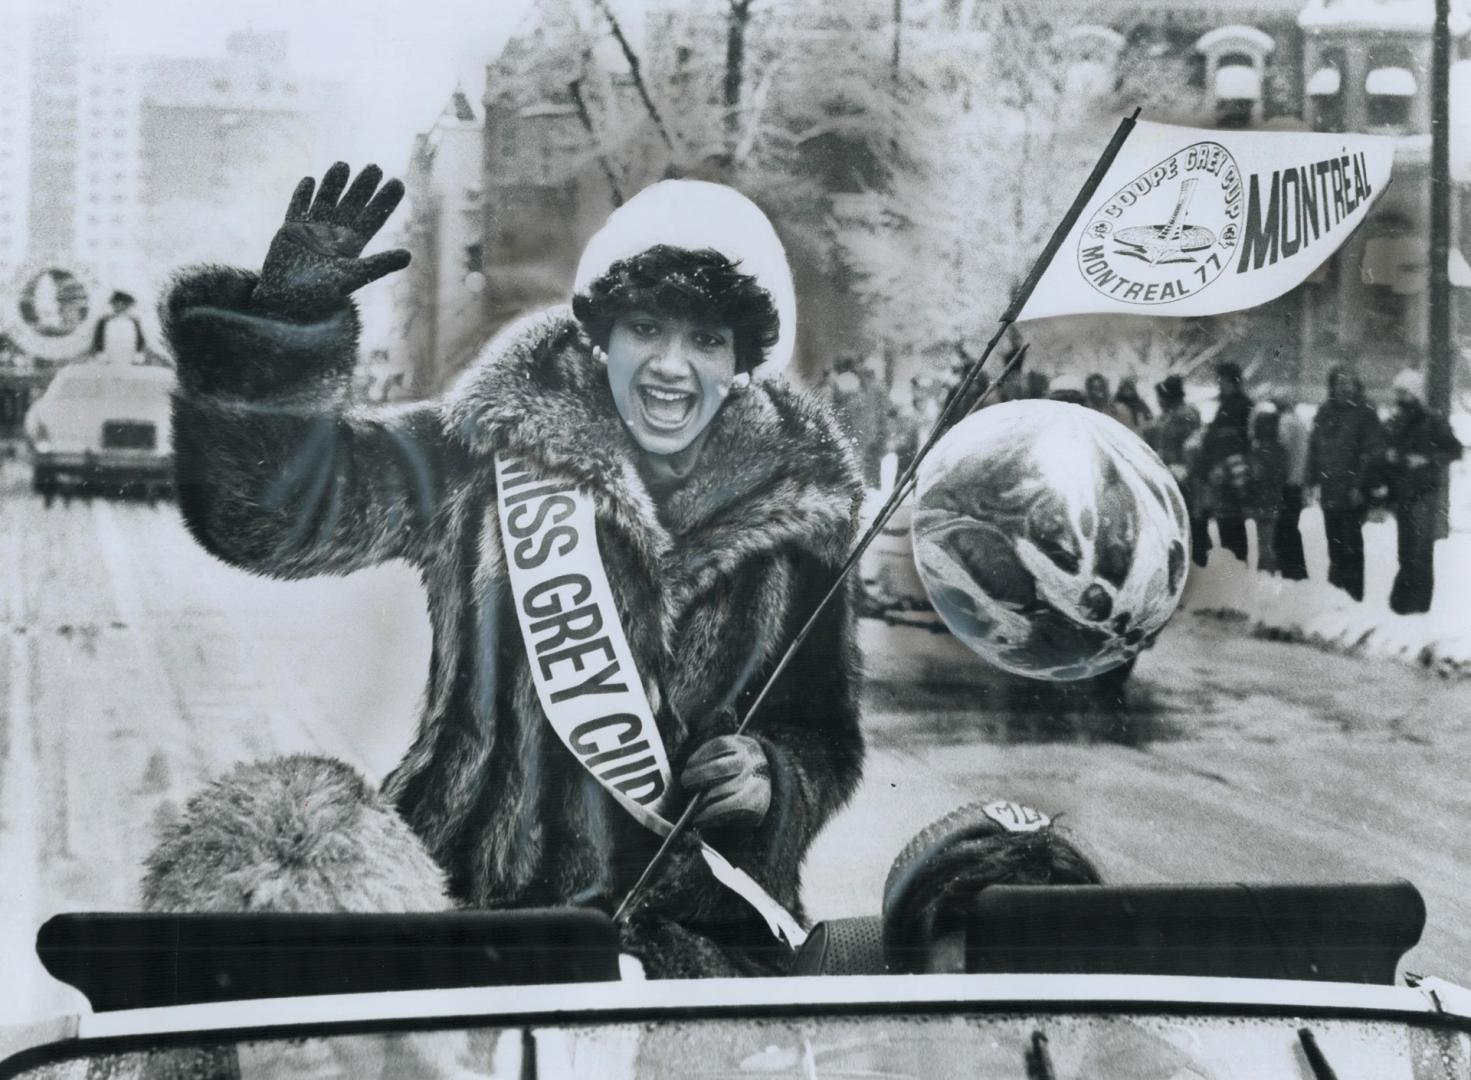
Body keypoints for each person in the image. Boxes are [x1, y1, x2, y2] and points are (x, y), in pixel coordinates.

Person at [162, 164, 866, 977]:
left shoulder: (801, 515)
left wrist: (771, 780)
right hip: (478, 923)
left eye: (705, 340)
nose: (673, 366)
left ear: (740, 358)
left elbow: (824, 736)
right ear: (601, 335)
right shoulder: (482, 450)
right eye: (646, 328)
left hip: (701, 943)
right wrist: (282, 343)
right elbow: (270, 520)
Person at [1373, 369, 1463, 615]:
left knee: (1420, 548)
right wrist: (1389, 458)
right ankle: (1407, 601)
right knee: (1407, 547)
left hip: (1423, 491)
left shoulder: (1432, 421)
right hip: (1402, 491)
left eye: (1403, 392)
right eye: (1397, 392)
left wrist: (1426, 460)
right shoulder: (1394, 421)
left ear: (1414, 393)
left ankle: (1414, 602)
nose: (1399, 397)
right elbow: (1381, 451)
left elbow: (1454, 450)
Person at [1307, 366, 1381, 601]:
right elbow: (1314, 449)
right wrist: (1310, 481)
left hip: (1353, 492)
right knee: (1334, 544)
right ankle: (1335, 595)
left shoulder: (1365, 413)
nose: (1345, 387)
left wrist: (1360, 486)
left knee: (1351, 545)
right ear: (1332, 386)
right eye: (1340, 383)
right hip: (1330, 490)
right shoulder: (1324, 412)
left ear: (1356, 386)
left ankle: (1352, 596)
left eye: (1349, 383)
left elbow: (1371, 454)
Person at [1145, 375, 1207, 566]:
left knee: (1187, 521)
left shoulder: (1184, 414)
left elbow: (1192, 446)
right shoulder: (1169, 415)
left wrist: (1183, 468)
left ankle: (1194, 562)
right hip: (1171, 475)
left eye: (1161, 397)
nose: (1158, 402)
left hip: (1183, 477)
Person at [1195, 361, 1253, 562]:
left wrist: (1219, 463)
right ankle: (1235, 563)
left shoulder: (1240, 406)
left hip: (1229, 472)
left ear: (1231, 381)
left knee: (1231, 524)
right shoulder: (1229, 404)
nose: (1219, 384)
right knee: (1228, 523)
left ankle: (1236, 565)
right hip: (1224, 471)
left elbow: (1236, 441)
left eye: (1222, 380)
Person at [1246, 403, 1287, 575]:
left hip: (1259, 500)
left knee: (1262, 542)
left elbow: (1254, 476)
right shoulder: (1279, 449)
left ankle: (1265, 572)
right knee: (1267, 541)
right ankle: (1267, 571)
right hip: (1272, 499)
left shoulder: (1255, 449)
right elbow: (1281, 475)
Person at [1273, 396, 1310, 580]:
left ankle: (1291, 571)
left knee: (1284, 528)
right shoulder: (1300, 422)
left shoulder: (1286, 422)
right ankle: (1297, 570)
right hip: (1298, 480)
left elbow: (1282, 448)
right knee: (1291, 527)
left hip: (1287, 482)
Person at [90, 289, 147, 364]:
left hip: (129, 356)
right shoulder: (104, 321)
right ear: (112, 304)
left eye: (123, 304)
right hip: (109, 357)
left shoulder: (134, 322)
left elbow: (140, 339)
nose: (120, 306)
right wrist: (100, 353)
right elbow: (98, 338)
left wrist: (138, 353)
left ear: (128, 306)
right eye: (116, 303)